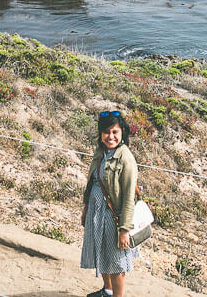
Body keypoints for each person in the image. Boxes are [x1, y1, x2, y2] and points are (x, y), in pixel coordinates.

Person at [80, 110, 140, 297]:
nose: (111, 136)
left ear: (122, 133)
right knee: (102, 254)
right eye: (107, 132)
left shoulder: (126, 158)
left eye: (115, 132)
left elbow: (129, 197)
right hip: (96, 212)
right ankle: (107, 291)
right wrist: (86, 208)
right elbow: (91, 182)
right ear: (101, 134)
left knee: (116, 262)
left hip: (114, 218)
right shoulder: (100, 152)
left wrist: (124, 229)